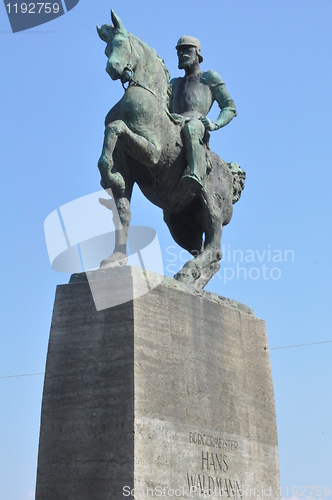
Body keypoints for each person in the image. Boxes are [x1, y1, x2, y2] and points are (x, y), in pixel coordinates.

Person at [169, 36, 237, 189]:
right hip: (173, 121)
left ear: (197, 54)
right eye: (179, 51)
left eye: (186, 50)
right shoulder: (174, 83)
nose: (181, 54)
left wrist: (215, 124)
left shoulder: (209, 77)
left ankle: (196, 173)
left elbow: (229, 107)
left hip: (195, 123)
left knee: (191, 129)